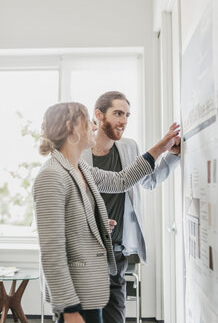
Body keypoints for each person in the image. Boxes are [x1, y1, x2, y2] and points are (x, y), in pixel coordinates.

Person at [33, 102, 179, 323]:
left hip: (90, 291)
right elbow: (52, 251)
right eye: (88, 122)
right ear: (70, 128)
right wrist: (69, 308)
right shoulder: (51, 175)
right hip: (75, 299)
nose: (94, 127)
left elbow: (121, 181)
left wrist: (162, 147)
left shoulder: (81, 169)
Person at [82, 91, 181, 323]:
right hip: (87, 251)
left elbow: (149, 180)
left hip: (117, 251)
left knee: (115, 316)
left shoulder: (128, 147)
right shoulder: (79, 155)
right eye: (117, 113)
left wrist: (172, 156)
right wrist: (160, 146)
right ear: (98, 115)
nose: (124, 120)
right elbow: (121, 181)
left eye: (127, 114)